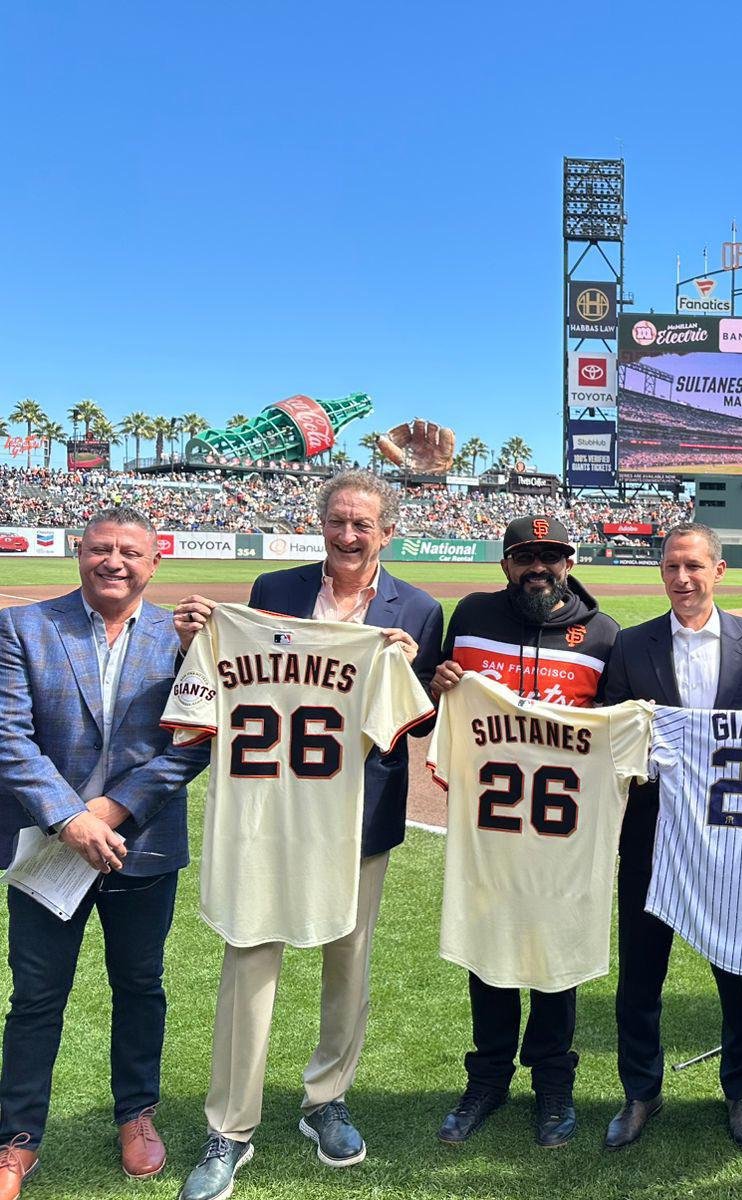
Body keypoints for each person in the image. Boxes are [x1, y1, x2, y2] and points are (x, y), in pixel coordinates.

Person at [171, 470, 443, 1200]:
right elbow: (230, 683)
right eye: (337, 520)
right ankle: (228, 1128)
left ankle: (327, 1100)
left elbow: (421, 724)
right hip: (267, 811)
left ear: (388, 532)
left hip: (359, 817)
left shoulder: (418, 610)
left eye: (364, 524)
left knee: (348, 966)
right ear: (319, 522)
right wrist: (196, 638)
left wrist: (411, 672)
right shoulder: (272, 592)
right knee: (249, 960)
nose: (349, 536)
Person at [0, 508, 208, 1198]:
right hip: (45, 848)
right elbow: (9, 739)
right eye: (100, 549)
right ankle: (17, 1137)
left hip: (141, 849)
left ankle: (136, 1115)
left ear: (155, 562)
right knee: (35, 998)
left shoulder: (185, 636)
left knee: (140, 988)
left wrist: (111, 812)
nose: (113, 561)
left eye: (129, 551)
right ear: (77, 553)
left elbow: (193, 739)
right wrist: (68, 819)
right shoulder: (23, 626)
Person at [428, 515, 620, 1149]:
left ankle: (553, 1083)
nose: (538, 567)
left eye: (551, 556)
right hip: (492, 829)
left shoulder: (601, 634)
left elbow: (614, 734)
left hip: (563, 835)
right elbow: (433, 703)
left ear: (569, 562)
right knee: (489, 950)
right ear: (505, 563)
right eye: (525, 556)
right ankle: (486, 1078)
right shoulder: (472, 616)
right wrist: (442, 685)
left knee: (556, 957)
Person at [600, 522, 742, 1149]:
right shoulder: (630, 645)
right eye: (673, 567)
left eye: (695, 567)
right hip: (653, 835)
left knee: (739, 970)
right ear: (662, 572)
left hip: (732, 840)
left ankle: (741, 1088)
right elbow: (613, 735)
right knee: (641, 974)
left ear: (719, 571)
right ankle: (640, 1092)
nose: (683, 578)